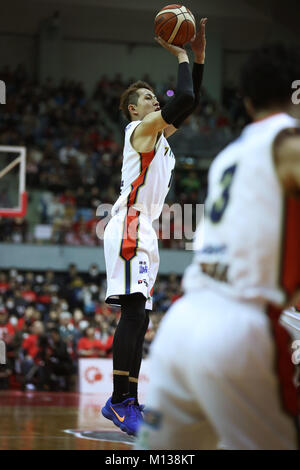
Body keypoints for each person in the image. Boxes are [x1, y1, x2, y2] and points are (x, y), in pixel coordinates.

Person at [136, 43, 300, 450]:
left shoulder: (229, 155)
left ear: (245, 100)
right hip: (241, 332)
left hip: (183, 326)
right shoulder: (288, 144)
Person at [101, 19, 208, 436]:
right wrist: (181, 54)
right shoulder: (139, 130)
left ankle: (125, 397)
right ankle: (120, 401)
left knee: (140, 317)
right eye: (148, 98)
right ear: (135, 109)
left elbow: (189, 102)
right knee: (132, 314)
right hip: (129, 222)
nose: (155, 101)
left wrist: (198, 57)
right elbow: (182, 96)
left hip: (143, 226)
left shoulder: (160, 134)